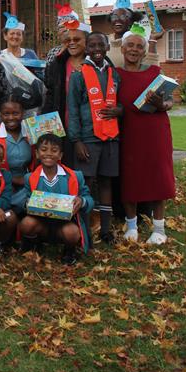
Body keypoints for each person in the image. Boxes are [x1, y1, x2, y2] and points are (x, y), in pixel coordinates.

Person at [117, 25, 175, 244]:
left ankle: (159, 229)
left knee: (158, 175)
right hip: (129, 131)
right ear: (122, 48)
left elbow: (170, 100)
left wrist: (163, 104)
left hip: (156, 131)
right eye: (130, 45)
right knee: (130, 176)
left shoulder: (154, 73)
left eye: (139, 46)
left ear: (144, 50)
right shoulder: (115, 75)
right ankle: (131, 226)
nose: (134, 49)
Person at [67, 31, 123, 245]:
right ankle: (85, 228)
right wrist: (77, 140)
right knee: (87, 183)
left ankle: (106, 230)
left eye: (101, 44)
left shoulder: (113, 74)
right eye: (92, 45)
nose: (97, 49)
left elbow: (120, 101)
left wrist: (120, 110)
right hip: (88, 138)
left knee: (106, 182)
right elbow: (72, 109)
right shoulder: (79, 74)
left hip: (110, 137)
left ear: (107, 47)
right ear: (86, 48)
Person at [17, 133, 94, 265]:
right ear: (37, 153)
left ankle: (69, 251)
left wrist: (81, 201)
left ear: (60, 155)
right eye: (44, 149)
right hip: (41, 223)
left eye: (54, 150)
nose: (49, 153)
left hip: (64, 224)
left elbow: (89, 199)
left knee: (72, 232)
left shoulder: (74, 176)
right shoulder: (30, 178)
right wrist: (27, 203)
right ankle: (34, 245)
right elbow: (24, 199)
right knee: (26, 223)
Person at [42, 20, 90, 166]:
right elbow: (50, 95)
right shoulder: (58, 64)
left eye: (77, 39)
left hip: (89, 129)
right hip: (63, 127)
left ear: (86, 41)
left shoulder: (97, 64)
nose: (72, 43)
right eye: (68, 40)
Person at [0, 97, 34, 212]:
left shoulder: (31, 132)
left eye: (15, 113)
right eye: (6, 114)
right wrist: (15, 180)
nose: (11, 118)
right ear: (0, 115)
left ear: (23, 114)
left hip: (25, 185)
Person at [106, 0, 161, 68]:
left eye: (123, 17)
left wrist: (153, 41)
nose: (118, 20)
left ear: (132, 21)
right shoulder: (104, 41)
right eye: (114, 16)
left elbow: (152, 69)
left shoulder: (139, 42)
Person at [0, 12, 43, 79]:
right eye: (12, 33)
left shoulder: (30, 54)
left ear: (22, 37)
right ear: (5, 36)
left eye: (18, 34)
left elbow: (40, 76)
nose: (15, 36)